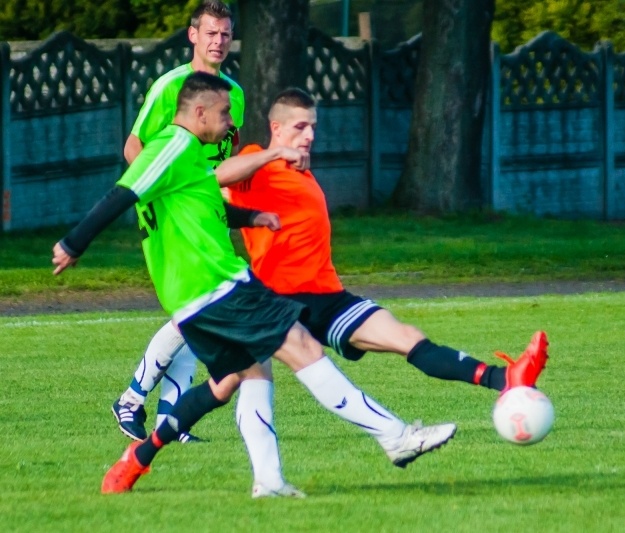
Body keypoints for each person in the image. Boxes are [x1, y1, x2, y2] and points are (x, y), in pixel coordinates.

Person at [111, 86, 549, 492]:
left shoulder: (302, 172)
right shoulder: (255, 161)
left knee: (407, 337)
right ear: (277, 128)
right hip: (275, 299)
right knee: (229, 385)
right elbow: (216, 177)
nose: (309, 135)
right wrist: (269, 157)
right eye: (300, 126)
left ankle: (504, 379)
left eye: (313, 127)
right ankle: (144, 454)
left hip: (326, 296)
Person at [53, 72, 457, 497]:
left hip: (187, 299)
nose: (231, 122)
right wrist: (73, 242)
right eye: (225, 113)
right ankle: (394, 436)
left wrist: (251, 218)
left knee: (244, 376)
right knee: (302, 345)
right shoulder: (174, 145)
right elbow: (122, 194)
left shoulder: (189, 158)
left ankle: (260, 479)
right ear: (200, 112)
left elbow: (201, 207)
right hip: (216, 284)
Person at [111, 0, 308, 444]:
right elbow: (133, 148)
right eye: (211, 33)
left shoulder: (233, 94)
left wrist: (235, 203)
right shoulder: (171, 86)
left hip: (208, 211)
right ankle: (131, 398)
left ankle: (168, 420)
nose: (218, 41)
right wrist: (166, 199)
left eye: (225, 34)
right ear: (192, 36)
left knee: (199, 314)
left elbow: (220, 162)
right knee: (199, 308)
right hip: (176, 212)